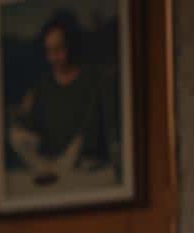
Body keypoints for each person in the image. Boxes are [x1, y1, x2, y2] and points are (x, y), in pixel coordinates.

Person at [8, 10, 116, 180]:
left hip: (81, 156)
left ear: (71, 45)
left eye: (59, 49)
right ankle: (49, 170)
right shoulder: (43, 84)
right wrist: (22, 115)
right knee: (17, 136)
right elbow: (31, 126)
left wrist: (72, 155)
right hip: (49, 158)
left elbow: (91, 125)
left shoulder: (91, 78)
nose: (54, 57)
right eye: (49, 51)